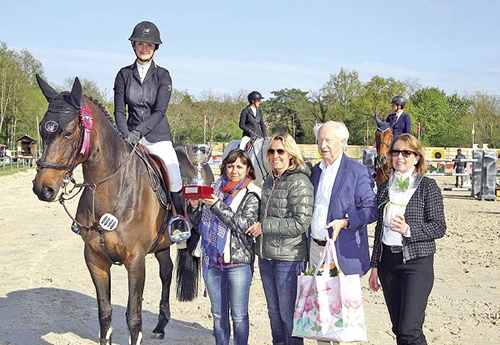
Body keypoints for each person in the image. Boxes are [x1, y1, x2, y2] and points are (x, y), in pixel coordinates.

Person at [368, 133, 447, 345]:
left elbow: (439, 227)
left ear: (416, 157)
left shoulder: (427, 186)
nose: (399, 156)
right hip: (388, 264)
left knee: (409, 329)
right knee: (398, 329)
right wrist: (374, 265)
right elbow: (379, 231)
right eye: (395, 152)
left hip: (416, 263)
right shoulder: (384, 188)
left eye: (406, 152)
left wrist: (408, 229)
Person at [113, 21, 188, 238]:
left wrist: (139, 133)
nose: (144, 48)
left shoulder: (163, 75)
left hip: (157, 137)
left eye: (149, 44)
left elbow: (159, 111)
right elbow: (119, 110)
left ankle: (178, 221)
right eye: (140, 43)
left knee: (173, 176)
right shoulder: (123, 75)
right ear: (134, 45)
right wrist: (126, 134)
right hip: (129, 137)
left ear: (155, 48)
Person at [309, 121, 378, 345]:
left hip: (343, 252)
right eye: (320, 140)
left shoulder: (358, 172)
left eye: (328, 140)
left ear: (343, 142)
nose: (323, 145)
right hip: (315, 250)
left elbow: (371, 209)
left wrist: (347, 222)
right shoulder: (314, 172)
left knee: (344, 321)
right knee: (321, 315)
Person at [245, 132, 314, 345]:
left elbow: (300, 223)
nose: (275, 155)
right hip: (266, 257)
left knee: (288, 315)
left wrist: (264, 227)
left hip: (289, 258)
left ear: (290, 154)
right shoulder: (268, 179)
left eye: (280, 151)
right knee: (274, 314)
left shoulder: (299, 181)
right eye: (271, 151)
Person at [187, 149, 261, 345]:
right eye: (230, 166)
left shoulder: (251, 194)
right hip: (213, 261)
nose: (234, 170)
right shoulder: (215, 188)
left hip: (238, 263)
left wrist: (215, 204)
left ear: (247, 169)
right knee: (218, 315)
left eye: (239, 166)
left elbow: (242, 224)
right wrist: (194, 206)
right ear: (224, 167)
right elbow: (199, 223)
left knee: (238, 316)